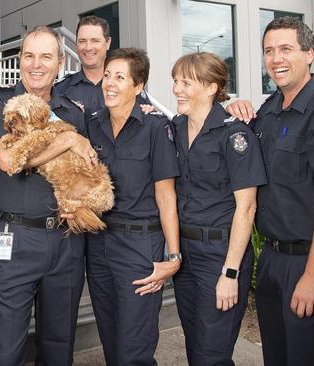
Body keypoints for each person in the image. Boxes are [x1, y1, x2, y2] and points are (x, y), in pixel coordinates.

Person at [225, 16, 314, 365]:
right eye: (268, 51)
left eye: (286, 49)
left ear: (309, 54)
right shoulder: (269, 111)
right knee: (277, 357)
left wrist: (313, 275)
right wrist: (233, 109)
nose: (276, 58)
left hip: (310, 261)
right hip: (272, 261)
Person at [0, 26, 94, 365]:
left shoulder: (72, 111)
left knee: (59, 347)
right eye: (29, 56)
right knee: (5, 350)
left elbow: (85, 168)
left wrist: (79, 200)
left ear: (59, 64)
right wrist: (68, 140)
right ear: (20, 60)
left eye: (46, 57)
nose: (36, 64)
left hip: (65, 241)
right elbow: (7, 160)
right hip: (14, 239)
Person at [169, 52, 267, 365]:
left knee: (212, 354)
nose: (177, 89)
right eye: (175, 81)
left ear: (212, 87)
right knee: (196, 348)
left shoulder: (234, 134)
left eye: (186, 82)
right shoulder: (175, 126)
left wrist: (230, 272)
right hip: (185, 254)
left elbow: (247, 208)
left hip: (219, 255)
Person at [84, 47, 180, 365]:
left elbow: (166, 195)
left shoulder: (155, 128)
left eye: (120, 77)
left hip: (139, 244)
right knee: (111, 342)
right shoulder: (93, 123)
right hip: (98, 243)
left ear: (138, 86)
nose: (110, 83)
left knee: (133, 349)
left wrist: (173, 255)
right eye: (107, 75)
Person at [54, 15, 151, 116]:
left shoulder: (128, 86)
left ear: (108, 43)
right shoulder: (61, 89)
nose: (88, 47)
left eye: (95, 41)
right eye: (82, 41)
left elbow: (145, 121)